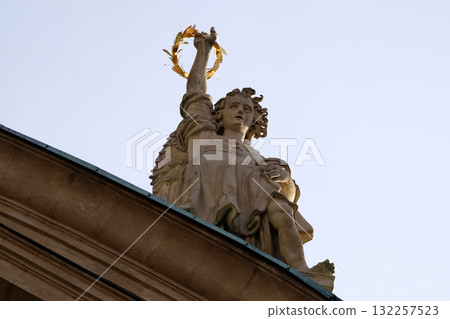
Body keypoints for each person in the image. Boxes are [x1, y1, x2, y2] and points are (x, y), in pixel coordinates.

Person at [152, 27, 332, 274]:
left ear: (254, 121)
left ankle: (301, 267)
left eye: (247, 110)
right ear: (220, 113)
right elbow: (196, 93)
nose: (240, 111)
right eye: (234, 106)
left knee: (282, 210)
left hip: (253, 208)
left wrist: (285, 177)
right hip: (207, 209)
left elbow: (288, 192)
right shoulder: (202, 134)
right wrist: (203, 52)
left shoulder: (261, 159)